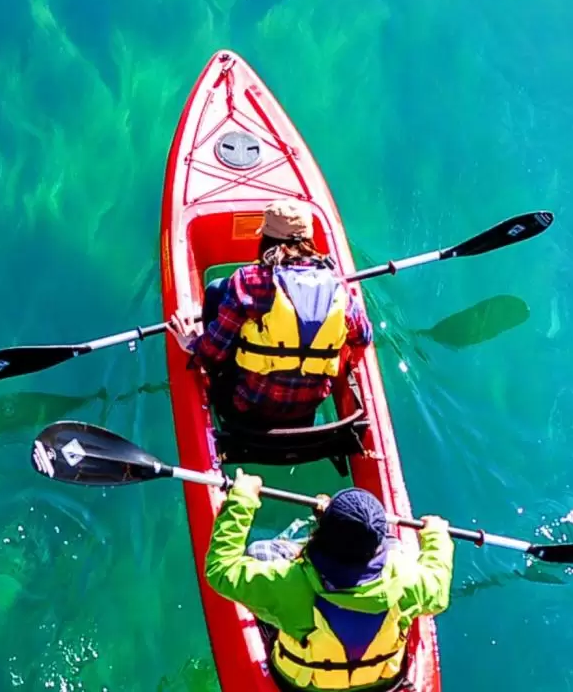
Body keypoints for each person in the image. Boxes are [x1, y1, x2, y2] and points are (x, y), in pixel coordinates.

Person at [204, 471, 455, 692]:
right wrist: (437, 536)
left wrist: (243, 500)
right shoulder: (407, 581)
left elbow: (220, 569)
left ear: (323, 532)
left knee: (259, 551)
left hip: (303, 686)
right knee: (396, 546)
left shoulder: (289, 585)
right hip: (383, 682)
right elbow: (439, 588)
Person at [167, 198, 373, 430]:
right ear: (309, 240)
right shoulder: (337, 287)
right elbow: (363, 336)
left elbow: (212, 352)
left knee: (216, 289)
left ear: (267, 239)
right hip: (305, 415)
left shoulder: (248, 281)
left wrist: (192, 343)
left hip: (243, 410)